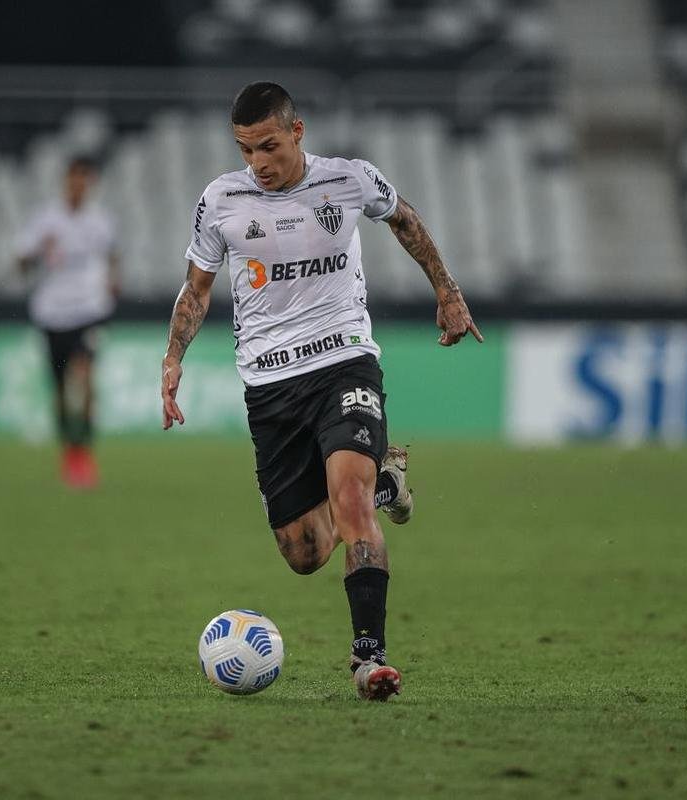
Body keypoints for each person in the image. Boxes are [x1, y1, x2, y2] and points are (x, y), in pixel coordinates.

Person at [160, 82, 482, 700]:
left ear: (298, 132)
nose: (259, 163)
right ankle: (389, 480)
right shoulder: (222, 200)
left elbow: (407, 222)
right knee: (304, 553)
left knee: (352, 503)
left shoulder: (348, 180)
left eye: (270, 146)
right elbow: (197, 287)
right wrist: (174, 356)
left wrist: (447, 291)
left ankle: (370, 659)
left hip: (344, 365)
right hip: (270, 387)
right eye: (247, 149)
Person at [16, 156, 120, 488]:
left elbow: (112, 256)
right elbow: (21, 263)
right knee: (60, 388)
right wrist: (35, 254)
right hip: (52, 312)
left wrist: (113, 281)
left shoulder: (100, 221)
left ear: (89, 183)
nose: (78, 185)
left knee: (85, 377)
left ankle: (85, 451)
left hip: (89, 310)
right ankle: (69, 453)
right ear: (65, 181)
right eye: (73, 179)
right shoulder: (46, 220)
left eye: (83, 179)